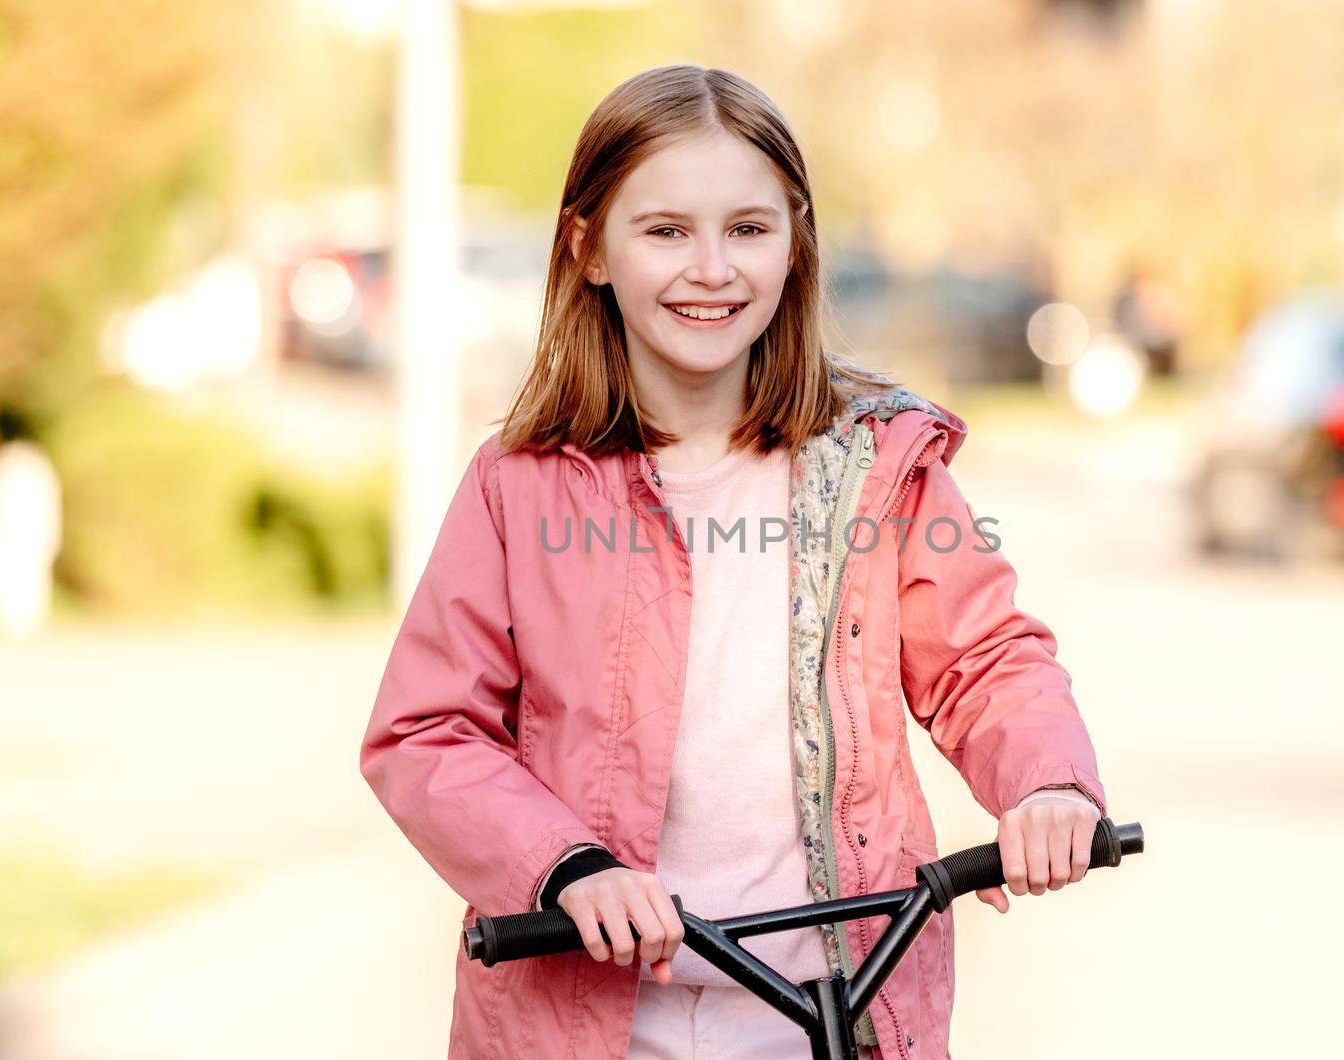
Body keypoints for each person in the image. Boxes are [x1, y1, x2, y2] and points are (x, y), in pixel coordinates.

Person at [360, 64, 1107, 1060]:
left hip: (835, 1011)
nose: (709, 268)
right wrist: (565, 865)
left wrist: (1046, 783)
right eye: (665, 231)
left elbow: (985, 661)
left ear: (793, 244)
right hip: (584, 1022)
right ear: (588, 247)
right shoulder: (521, 483)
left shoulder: (879, 464)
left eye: (748, 230)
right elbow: (425, 728)